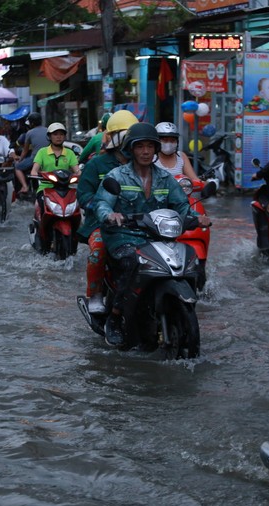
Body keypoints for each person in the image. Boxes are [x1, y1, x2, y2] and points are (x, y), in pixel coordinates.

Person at [92, 122, 211, 346]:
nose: (145, 152)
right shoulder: (117, 176)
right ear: (131, 149)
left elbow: (182, 206)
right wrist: (111, 215)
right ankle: (116, 317)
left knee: (188, 259)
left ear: (155, 149)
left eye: (150, 146)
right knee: (132, 260)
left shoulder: (165, 178)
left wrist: (197, 218)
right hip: (124, 235)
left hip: (156, 236)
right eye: (140, 147)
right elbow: (101, 204)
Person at [77, 110, 139, 314]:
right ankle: (95, 294)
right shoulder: (97, 164)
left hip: (138, 222)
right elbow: (84, 195)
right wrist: (103, 209)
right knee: (98, 251)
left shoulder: (143, 165)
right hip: (102, 224)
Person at [30, 122, 80, 193]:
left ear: (64, 136)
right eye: (55, 134)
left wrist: (82, 174)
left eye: (61, 134)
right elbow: (34, 171)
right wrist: (38, 174)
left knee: (77, 201)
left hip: (65, 188)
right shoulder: (42, 152)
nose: (58, 137)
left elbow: (77, 171)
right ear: (49, 136)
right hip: (45, 188)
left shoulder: (70, 153)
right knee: (38, 203)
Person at [14, 112, 49, 196]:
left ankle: (25, 186)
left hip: (35, 159)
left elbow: (25, 150)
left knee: (17, 168)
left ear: (31, 123)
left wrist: (20, 160)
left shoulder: (29, 133)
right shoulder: (48, 130)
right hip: (48, 158)